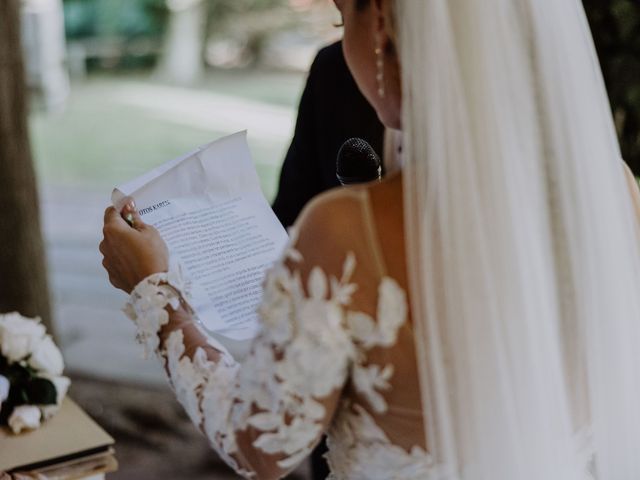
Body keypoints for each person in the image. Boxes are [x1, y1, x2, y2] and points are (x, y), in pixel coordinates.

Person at [100, 0, 640, 479]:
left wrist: (157, 294)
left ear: (379, 20)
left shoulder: (346, 229)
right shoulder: (614, 190)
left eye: (341, 14)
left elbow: (260, 446)